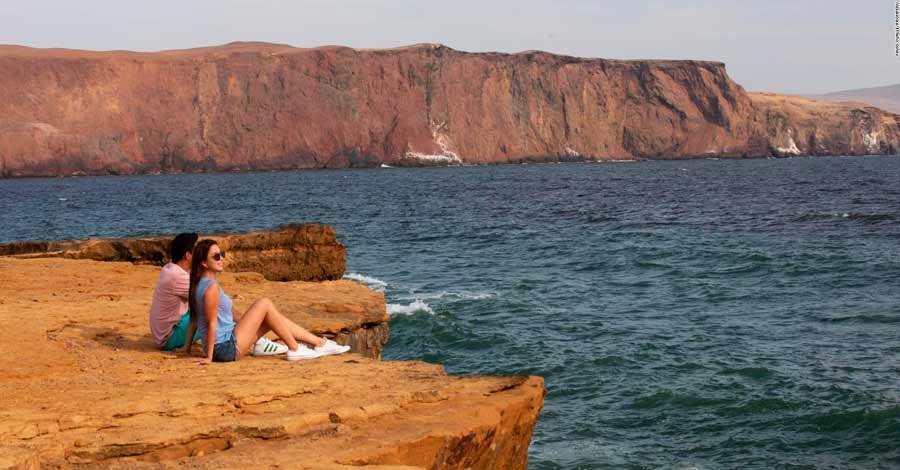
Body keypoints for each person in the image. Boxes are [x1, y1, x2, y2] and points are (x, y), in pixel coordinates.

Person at [185, 239, 350, 363]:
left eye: (222, 254)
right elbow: (211, 323)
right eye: (215, 256)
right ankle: (295, 348)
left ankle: (319, 343)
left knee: (272, 316)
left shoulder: (198, 284)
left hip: (224, 344)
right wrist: (209, 357)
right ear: (204, 263)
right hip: (224, 348)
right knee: (264, 303)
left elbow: (194, 319)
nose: (221, 258)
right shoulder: (210, 287)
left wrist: (186, 348)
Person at [149, 233, 286, 356]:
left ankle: (253, 337)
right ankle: (258, 341)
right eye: (196, 251)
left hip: (165, 332)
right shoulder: (178, 277)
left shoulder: (170, 269)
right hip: (171, 336)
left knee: (213, 310)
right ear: (188, 255)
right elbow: (213, 305)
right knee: (222, 312)